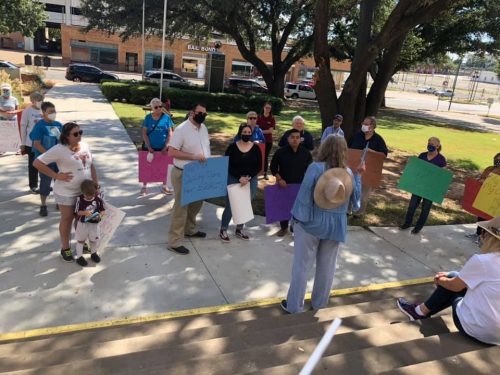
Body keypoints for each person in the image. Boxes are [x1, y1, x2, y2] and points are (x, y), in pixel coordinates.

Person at [281, 136, 363, 314]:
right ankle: (319, 303)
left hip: (311, 221)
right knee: (327, 267)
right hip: (336, 225)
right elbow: (356, 204)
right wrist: (358, 177)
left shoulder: (315, 168)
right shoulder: (348, 172)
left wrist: (296, 220)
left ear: (324, 148)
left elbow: (304, 197)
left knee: (302, 266)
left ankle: (294, 306)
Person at [396, 216, 500, 345]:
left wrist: (440, 280)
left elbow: (454, 286)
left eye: (483, 232)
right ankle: (421, 311)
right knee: (455, 275)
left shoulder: (483, 261)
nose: (481, 236)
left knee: (451, 281)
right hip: (497, 338)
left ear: (491, 238)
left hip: (477, 330)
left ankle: (418, 312)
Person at [33, 122, 100, 262]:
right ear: (66, 136)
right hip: (66, 192)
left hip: (85, 192)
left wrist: (95, 182)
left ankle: (81, 243)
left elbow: (91, 164)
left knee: (82, 219)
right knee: (67, 219)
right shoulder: (59, 149)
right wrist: (56, 175)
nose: (79, 136)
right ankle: (65, 248)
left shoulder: (85, 145)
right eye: (75, 134)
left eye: (80, 132)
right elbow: (37, 163)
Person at [167, 103, 211, 255]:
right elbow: (171, 152)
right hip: (183, 172)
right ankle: (174, 242)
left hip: (199, 173)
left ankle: (189, 230)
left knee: (196, 204)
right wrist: (193, 157)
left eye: (205, 114)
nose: (203, 116)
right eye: (200, 113)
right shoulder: (181, 129)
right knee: (181, 208)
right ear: (192, 113)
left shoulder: (203, 128)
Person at [219, 124, 262, 243]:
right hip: (233, 179)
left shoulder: (256, 148)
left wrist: (248, 177)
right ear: (240, 133)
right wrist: (239, 178)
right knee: (230, 205)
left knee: (245, 205)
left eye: (249, 132)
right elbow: (227, 164)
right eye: (245, 132)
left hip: (250, 180)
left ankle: (239, 229)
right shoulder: (232, 147)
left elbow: (259, 165)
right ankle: (223, 229)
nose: (247, 134)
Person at [270, 128, 312, 236]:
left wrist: (307, 182)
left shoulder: (305, 153)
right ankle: (284, 228)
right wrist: (279, 179)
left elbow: (310, 169)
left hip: (300, 185)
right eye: (292, 137)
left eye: (297, 137)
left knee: (298, 208)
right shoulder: (280, 152)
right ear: (288, 139)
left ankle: (295, 228)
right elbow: (273, 166)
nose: (295, 139)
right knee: (283, 207)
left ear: (300, 140)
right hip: (284, 184)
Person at [400, 137, 446, 234]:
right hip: (418, 186)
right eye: (429, 143)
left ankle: (418, 227)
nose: (430, 145)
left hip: (430, 188)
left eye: (432, 144)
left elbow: (442, 176)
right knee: (412, 206)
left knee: (425, 209)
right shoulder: (422, 155)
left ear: (437, 146)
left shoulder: (441, 159)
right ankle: (407, 223)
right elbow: (416, 168)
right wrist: (410, 164)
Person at [348, 116, 388, 215]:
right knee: (350, 191)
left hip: (368, 171)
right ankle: (347, 211)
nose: (363, 126)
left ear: (372, 126)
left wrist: (372, 152)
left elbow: (383, 155)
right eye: (363, 123)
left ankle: (359, 213)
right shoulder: (357, 136)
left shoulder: (378, 139)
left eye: (366, 124)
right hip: (354, 169)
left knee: (363, 195)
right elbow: (348, 149)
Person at [29, 102, 63, 217]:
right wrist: (50, 155)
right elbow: (37, 144)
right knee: (45, 183)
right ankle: (43, 205)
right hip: (44, 161)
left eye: (54, 111)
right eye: (50, 112)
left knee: (59, 182)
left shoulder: (58, 125)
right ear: (43, 113)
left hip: (58, 161)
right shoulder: (39, 126)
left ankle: (58, 202)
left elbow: (62, 141)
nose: (53, 114)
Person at [140, 97, 174, 196]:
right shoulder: (148, 118)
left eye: (160, 106)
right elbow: (144, 133)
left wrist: (166, 145)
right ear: (152, 108)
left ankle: (164, 187)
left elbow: (170, 133)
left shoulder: (166, 118)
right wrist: (149, 146)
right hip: (149, 148)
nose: (159, 108)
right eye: (156, 107)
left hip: (163, 147)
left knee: (164, 167)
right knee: (147, 167)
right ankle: (144, 187)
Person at [465, 152, 500, 243]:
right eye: (496, 159)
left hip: (494, 200)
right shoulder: (489, 169)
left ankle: (483, 237)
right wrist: (481, 180)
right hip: (484, 197)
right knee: (480, 216)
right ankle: (477, 233)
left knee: (489, 220)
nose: (497, 162)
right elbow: (481, 178)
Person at [74, 179, 105, 267]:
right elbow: (77, 211)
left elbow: (102, 210)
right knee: (80, 240)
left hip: (94, 224)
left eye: (91, 195)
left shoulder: (98, 198)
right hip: (83, 224)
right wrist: (85, 213)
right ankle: (79, 256)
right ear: (83, 192)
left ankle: (93, 253)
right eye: (87, 196)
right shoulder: (79, 199)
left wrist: (100, 215)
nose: (89, 197)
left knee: (93, 240)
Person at [20, 92, 44, 193]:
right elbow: (23, 127)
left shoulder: (44, 109)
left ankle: (45, 184)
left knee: (44, 164)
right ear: (32, 101)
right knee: (33, 165)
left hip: (44, 142)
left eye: (41, 99)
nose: (40, 102)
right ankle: (33, 185)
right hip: (31, 143)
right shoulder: (27, 111)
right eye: (37, 100)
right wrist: (23, 143)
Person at [257, 102, 276, 180]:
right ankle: (256, 172)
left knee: (265, 157)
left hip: (268, 141)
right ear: (263, 108)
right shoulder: (259, 117)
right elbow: (256, 128)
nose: (267, 109)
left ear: (270, 109)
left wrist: (261, 131)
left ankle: (265, 174)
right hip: (259, 141)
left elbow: (270, 131)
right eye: (266, 107)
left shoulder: (272, 118)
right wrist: (264, 131)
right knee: (258, 156)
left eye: (269, 108)